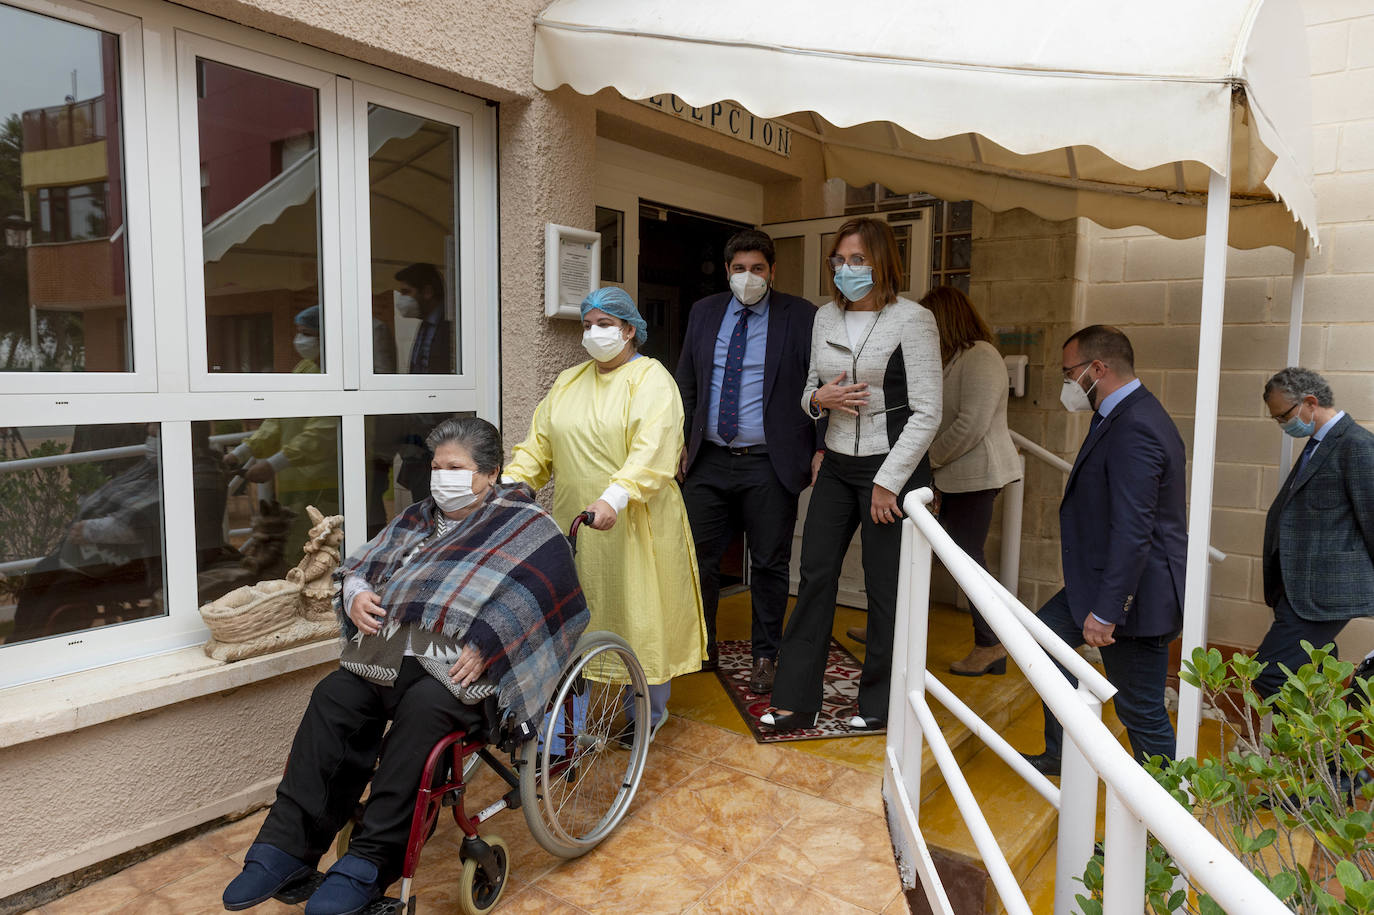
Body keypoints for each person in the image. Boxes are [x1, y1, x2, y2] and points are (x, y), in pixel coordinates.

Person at [221, 417, 588, 915]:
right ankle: (285, 847)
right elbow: (362, 566)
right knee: (334, 694)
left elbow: (550, 599)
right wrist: (353, 595)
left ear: (490, 472)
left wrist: (492, 642)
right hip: (395, 653)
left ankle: (371, 862)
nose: (442, 478)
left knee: (424, 712)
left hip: (466, 672)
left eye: (455, 468)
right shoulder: (418, 516)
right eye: (436, 467)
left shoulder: (527, 525)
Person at [504, 287, 706, 744]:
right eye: (587, 324)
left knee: (641, 614)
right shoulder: (569, 382)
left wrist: (615, 497)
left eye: (604, 324)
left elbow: (653, 452)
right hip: (577, 525)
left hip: (636, 522)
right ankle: (569, 723)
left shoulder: (652, 380)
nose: (593, 333)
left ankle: (647, 713)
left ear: (629, 330)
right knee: (579, 619)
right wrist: (513, 487)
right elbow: (539, 445)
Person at [763, 217, 942, 732]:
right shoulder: (823, 318)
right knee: (815, 576)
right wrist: (818, 400)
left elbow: (928, 410)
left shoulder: (913, 320)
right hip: (838, 464)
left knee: (885, 589)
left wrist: (890, 482)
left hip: (892, 469)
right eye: (839, 261)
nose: (846, 270)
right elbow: (808, 391)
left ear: (883, 262)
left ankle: (881, 705)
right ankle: (797, 699)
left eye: (857, 260)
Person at [1022, 325, 1186, 776]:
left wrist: (1109, 609)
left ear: (1098, 368)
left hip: (1132, 599)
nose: (1067, 384)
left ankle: (1167, 827)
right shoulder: (1121, 413)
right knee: (1044, 640)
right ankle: (1063, 752)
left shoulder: (1136, 425)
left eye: (1068, 373)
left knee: (1142, 712)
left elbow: (1135, 528)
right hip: (1100, 585)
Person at [675, 229, 822, 694]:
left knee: (770, 564)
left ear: (772, 272)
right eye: (739, 269)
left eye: (757, 268)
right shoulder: (704, 313)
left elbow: (819, 381)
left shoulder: (801, 316)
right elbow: (687, 381)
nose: (748, 277)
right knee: (698, 558)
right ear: (727, 271)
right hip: (708, 460)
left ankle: (765, 656)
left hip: (769, 462)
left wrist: (818, 447)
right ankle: (703, 645)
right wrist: (678, 440)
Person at [920, 286, 1021, 676]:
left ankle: (991, 645)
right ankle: (891, 629)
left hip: (976, 476)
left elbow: (970, 425)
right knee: (925, 554)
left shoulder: (982, 356)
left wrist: (928, 460)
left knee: (967, 563)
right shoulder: (952, 358)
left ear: (944, 320)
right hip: (953, 475)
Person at [1256, 367, 1374, 698]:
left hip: (1325, 595)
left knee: (1269, 675)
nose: (1282, 425)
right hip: (1300, 591)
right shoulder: (1318, 444)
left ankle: (1305, 748)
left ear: (1310, 402)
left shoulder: (1357, 445)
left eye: (1284, 416)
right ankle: (1327, 750)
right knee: (1313, 676)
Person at [223, 305, 340, 550]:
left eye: (307, 333)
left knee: (317, 551)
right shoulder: (305, 369)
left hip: (326, 484)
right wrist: (241, 453)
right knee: (294, 549)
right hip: (293, 482)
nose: (300, 340)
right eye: (299, 332)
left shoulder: (338, 375)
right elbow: (278, 419)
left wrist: (273, 464)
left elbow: (322, 435)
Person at [394, 263, 451, 375]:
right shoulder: (425, 324)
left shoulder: (450, 325)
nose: (401, 299)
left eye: (406, 292)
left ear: (427, 292)